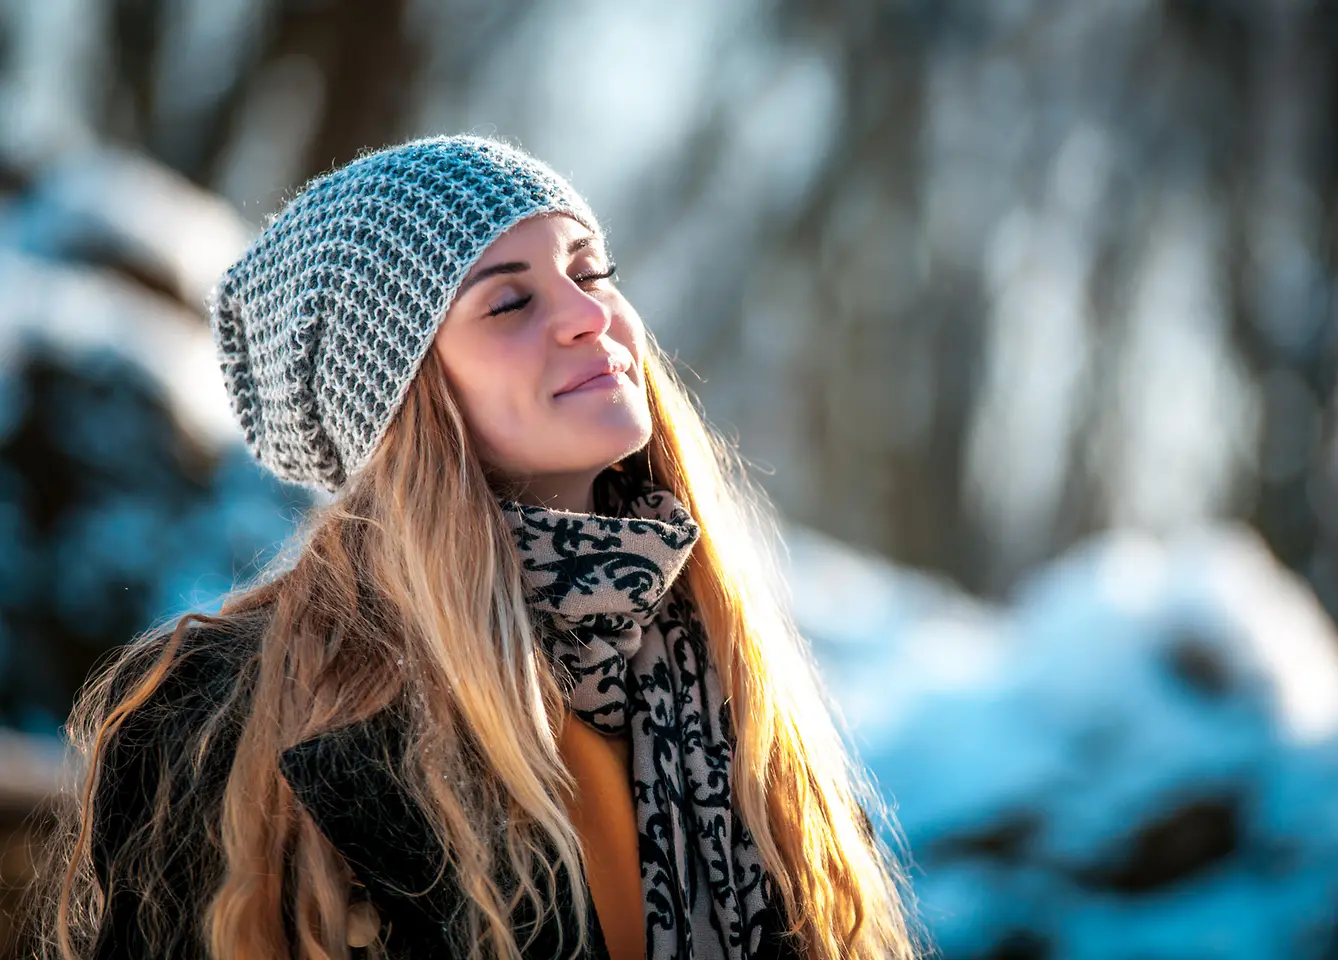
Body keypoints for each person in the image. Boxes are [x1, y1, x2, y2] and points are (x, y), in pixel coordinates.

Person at [42, 136, 921, 960]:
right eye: (509, 301)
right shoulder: (226, 720)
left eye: (592, 271)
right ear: (400, 401)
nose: (589, 317)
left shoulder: (730, 681)